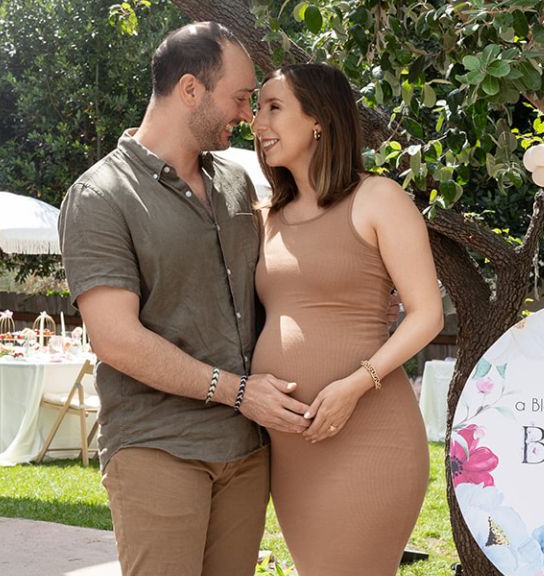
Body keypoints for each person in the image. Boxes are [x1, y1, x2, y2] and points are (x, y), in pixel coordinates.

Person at [58, 22, 311, 576]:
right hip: (158, 445)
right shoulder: (100, 197)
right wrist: (239, 393)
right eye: (241, 98)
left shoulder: (236, 184)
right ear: (191, 89)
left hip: (246, 451)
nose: (248, 115)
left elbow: (266, 292)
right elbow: (116, 340)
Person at [250, 63, 444, 575]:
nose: (257, 122)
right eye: (255, 109)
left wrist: (355, 386)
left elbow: (427, 315)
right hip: (293, 447)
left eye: (273, 107)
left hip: (369, 433)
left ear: (318, 119)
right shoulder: (264, 215)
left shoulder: (377, 197)